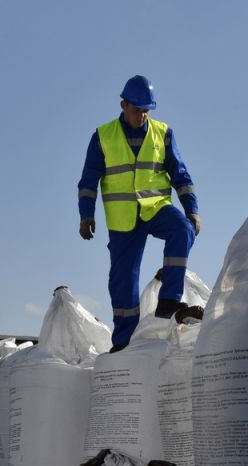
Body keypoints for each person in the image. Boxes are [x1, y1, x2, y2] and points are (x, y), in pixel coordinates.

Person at [77, 75, 201, 353]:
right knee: (122, 281)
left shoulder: (163, 133)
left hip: (156, 207)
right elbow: (88, 181)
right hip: (123, 219)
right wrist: (86, 214)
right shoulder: (103, 136)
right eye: (137, 110)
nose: (143, 115)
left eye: (147, 110)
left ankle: (169, 300)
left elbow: (181, 174)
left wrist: (192, 209)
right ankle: (124, 342)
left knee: (182, 229)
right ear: (123, 105)